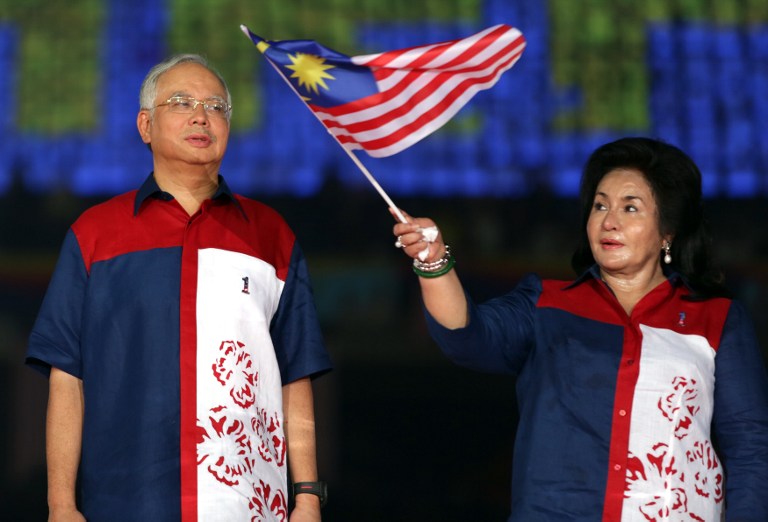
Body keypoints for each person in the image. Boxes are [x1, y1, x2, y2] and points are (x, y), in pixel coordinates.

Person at [392, 137, 768, 521]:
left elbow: (750, 448)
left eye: (630, 208)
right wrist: (434, 262)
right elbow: (468, 336)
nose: (609, 221)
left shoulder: (718, 319)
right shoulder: (547, 304)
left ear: (667, 231)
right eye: (600, 205)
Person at [26, 54, 332, 522]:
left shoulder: (271, 235)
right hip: (126, 502)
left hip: (246, 504)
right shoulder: (94, 234)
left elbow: (296, 372)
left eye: (216, 106)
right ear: (145, 125)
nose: (201, 116)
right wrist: (60, 505)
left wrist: (307, 496)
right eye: (182, 102)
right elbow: (67, 376)